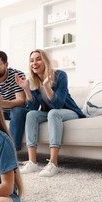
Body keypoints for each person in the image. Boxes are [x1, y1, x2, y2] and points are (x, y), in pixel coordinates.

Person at [16, 49, 85, 177]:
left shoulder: (60, 75)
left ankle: (53, 163)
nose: (34, 63)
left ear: (45, 61)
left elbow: (58, 104)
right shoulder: (33, 81)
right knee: (31, 115)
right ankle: (32, 162)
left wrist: (47, 85)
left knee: (53, 113)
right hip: (49, 113)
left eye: (38, 59)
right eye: (31, 60)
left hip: (70, 112)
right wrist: (26, 89)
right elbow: (33, 107)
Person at [0, 50, 29, 151]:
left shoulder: (17, 75)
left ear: (6, 64)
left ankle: (12, 150)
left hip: (17, 110)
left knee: (17, 111)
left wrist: (1, 103)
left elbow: (21, 102)